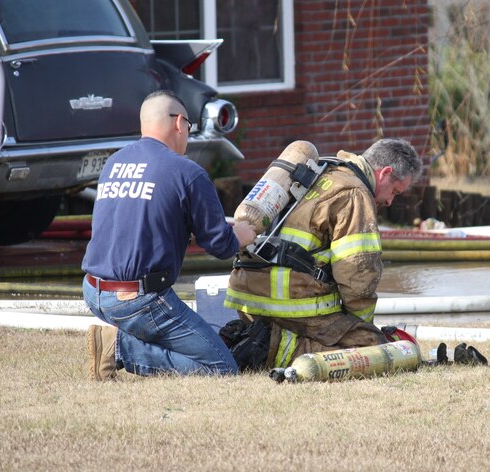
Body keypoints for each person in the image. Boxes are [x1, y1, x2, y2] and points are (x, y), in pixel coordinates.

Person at [83, 90, 256, 380]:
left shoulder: (114, 163)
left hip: (93, 291)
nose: (188, 133)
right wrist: (240, 235)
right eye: (189, 125)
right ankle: (120, 348)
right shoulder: (188, 173)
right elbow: (220, 244)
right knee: (221, 367)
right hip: (139, 300)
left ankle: (120, 338)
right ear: (178, 123)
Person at [223, 139, 426, 370]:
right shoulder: (354, 192)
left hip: (246, 296)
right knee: (371, 346)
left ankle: (250, 336)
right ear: (385, 173)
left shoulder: (322, 171)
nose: (390, 201)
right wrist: (363, 325)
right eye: (395, 191)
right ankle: (269, 350)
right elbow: (357, 275)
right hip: (288, 303)